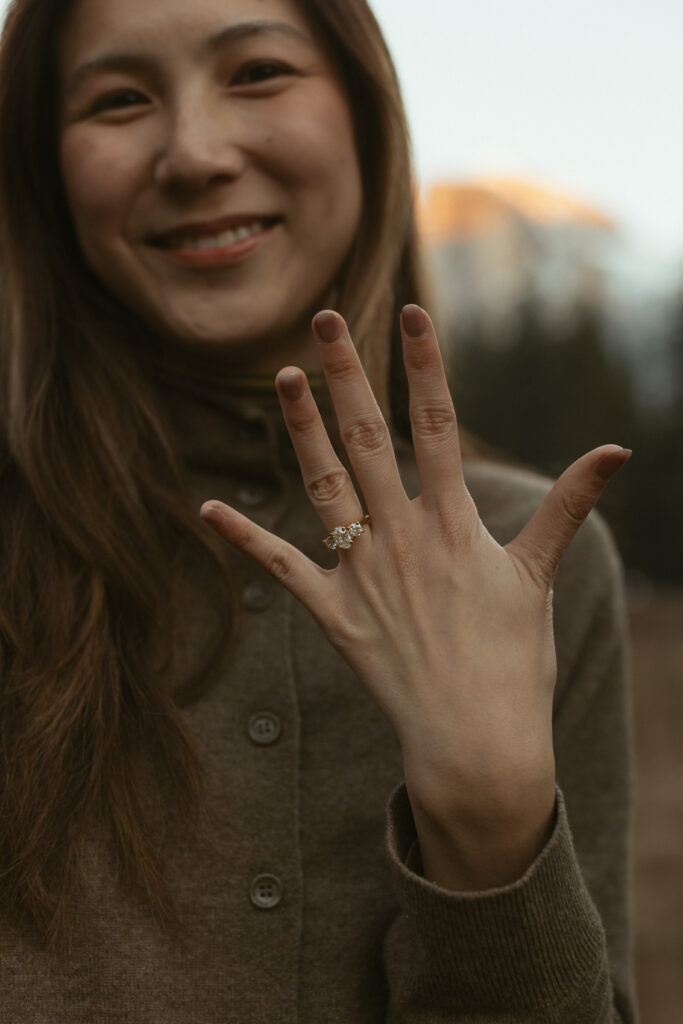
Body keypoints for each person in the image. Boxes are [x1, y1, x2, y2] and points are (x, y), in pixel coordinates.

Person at [0, 0, 637, 1020]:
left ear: (364, 119)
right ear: (45, 170)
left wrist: (490, 826)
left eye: (255, 72)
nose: (195, 153)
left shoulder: (533, 562)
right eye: (118, 99)